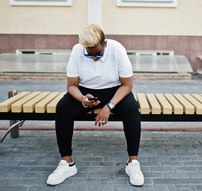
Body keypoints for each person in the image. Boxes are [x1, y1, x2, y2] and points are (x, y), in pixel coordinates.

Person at [46, 24, 144, 187]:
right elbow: (71, 86)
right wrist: (83, 98)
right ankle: (67, 163)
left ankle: (132, 163)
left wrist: (108, 107)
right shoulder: (77, 50)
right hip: (86, 91)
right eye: (89, 54)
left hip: (115, 90)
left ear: (105, 44)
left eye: (97, 54)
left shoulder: (117, 49)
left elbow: (127, 85)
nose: (93, 58)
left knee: (132, 109)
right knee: (63, 108)